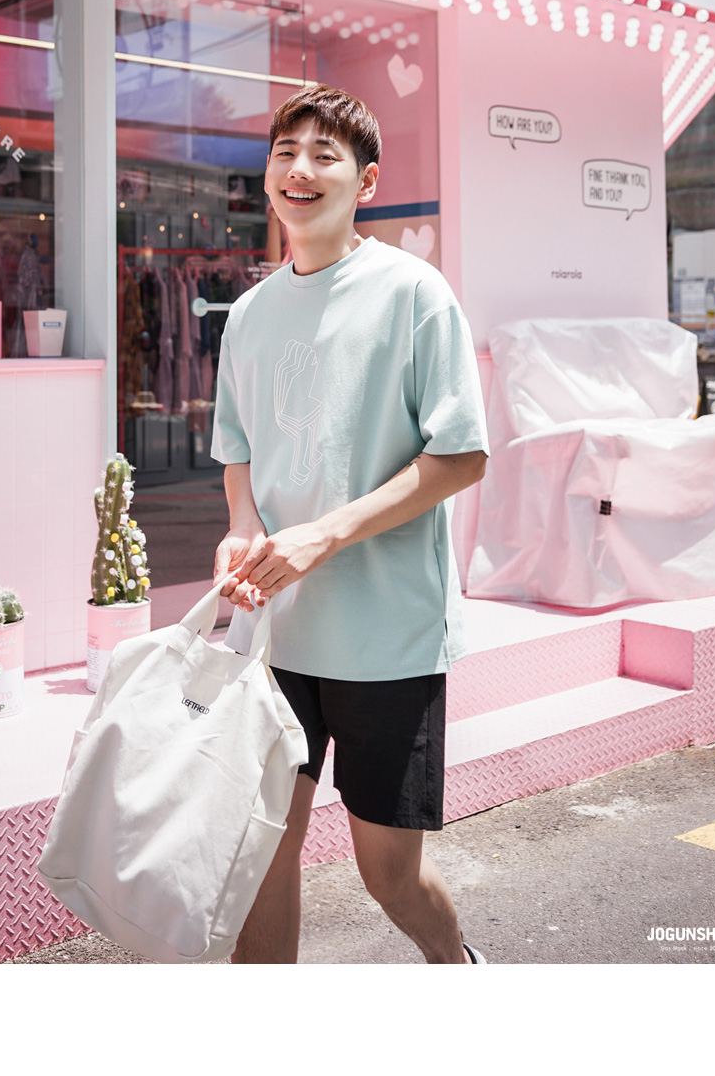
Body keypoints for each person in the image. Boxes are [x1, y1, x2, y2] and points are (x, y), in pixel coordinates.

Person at [210, 85, 488, 966]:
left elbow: (461, 456)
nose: (300, 168)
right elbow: (238, 448)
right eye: (285, 150)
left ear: (366, 181)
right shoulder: (248, 314)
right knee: (261, 850)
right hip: (274, 635)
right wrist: (242, 524)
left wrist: (322, 535)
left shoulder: (415, 293)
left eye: (324, 154)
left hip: (387, 636)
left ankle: (459, 968)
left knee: (388, 874)